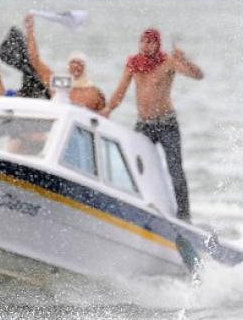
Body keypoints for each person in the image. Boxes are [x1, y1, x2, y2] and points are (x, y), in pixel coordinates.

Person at [101, 28, 203, 221]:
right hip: (144, 125)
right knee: (132, 166)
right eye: (142, 41)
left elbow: (198, 76)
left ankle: (184, 214)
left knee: (175, 168)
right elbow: (120, 90)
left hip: (167, 124)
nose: (145, 46)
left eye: (150, 42)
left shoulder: (168, 62)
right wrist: (108, 110)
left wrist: (184, 60)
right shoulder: (133, 64)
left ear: (157, 44)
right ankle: (138, 204)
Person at [17, 13, 106, 112]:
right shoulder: (56, 83)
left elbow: (102, 119)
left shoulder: (94, 92)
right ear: (68, 65)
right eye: (73, 62)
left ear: (85, 68)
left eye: (80, 63)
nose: (76, 66)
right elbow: (34, 60)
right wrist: (30, 29)